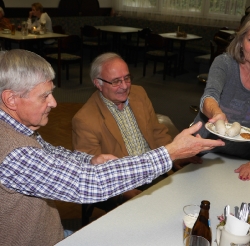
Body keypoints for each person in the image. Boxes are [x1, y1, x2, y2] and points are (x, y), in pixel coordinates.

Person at [0, 49, 224, 245]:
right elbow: (87, 184)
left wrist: (89, 160)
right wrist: (171, 152)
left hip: (53, 233)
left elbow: (51, 154)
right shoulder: (12, 151)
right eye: (45, 96)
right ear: (11, 99)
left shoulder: (18, 130)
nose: (54, 103)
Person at [72, 52, 202, 202]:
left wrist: (175, 155)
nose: (124, 86)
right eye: (115, 81)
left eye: (127, 78)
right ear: (98, 83)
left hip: (156, 167)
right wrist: (123, 191)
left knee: (196, 189)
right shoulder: (84, 120)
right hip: (124, 182)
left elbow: (157, 132)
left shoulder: (139, 93)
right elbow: (92, 169)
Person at [192, 20, 250, 181]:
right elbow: (209, 96)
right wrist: (217, 113)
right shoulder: (224, 64)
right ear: (241, 42)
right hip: (206, 150)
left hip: (243, 159)